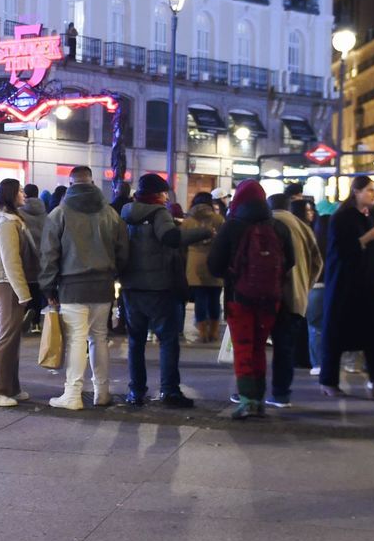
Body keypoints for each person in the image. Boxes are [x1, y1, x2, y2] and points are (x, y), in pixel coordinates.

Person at [119, 173, 213, 408]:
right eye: (164, 192)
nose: (166, 196)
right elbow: (170, 237)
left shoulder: (126, 213)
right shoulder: (159, 213)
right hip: (159, 287)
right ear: (158, 194)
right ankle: (169, 390)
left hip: (132, 287)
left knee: (135, 342)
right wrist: (203, 232)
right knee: (168, 340)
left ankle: (136, 392)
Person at [40, 166, 128, 409]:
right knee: (99, 338)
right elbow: (123, 250)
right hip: (103, 286)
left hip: (72, 286)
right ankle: (102, 391)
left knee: (76, 339)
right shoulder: (110, 213)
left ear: (70, 184)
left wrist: (48, 288)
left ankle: (73, 394)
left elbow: (49, 254)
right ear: (92, 183)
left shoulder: (59, 213)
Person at [207, 180, 293, 417]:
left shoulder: (232, 226)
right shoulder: (278, 227)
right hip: (271, 299)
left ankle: (247, 400)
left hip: (239, 297)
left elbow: (214, 266)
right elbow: (291, 261)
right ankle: (259, 399)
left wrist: (234, 273)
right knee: (259, 347)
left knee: (243, 347)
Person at [317, 176, 374, 399]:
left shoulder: (371, 215)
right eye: (369, 190)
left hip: (369, 283)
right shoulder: (342, 218)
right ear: (356, 192)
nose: (373, 194)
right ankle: (329, 381)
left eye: (373, 191)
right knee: (336, 333)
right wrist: (367, 237)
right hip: (345, 285)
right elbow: (341, 250)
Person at [0, 178, 35, 408]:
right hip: (6, 284)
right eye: (20, 191)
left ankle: (10, 386)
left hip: (2, 283)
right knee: (4, 337)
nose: (24, 194)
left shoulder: (7, 221)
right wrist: (24, 294)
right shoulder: (6, 224)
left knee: (9, 337)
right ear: (11, 195)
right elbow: (11, 262)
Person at [265, 192, 322, 408]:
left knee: (256, 346)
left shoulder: (266, 222)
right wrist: (305, 285)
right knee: (285, 347)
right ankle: (281, 394)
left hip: (267, 295)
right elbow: (317, 261)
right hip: (296, 296)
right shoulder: (302, 227)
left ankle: (252, 392)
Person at [183, 192, 225, 344]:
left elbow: (182, 242)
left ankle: (202, 333)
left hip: (194, 264)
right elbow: (224, 241)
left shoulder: (188, 221)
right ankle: (213, 332)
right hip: (214, 262)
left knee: (200, 299)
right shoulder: (219, 219)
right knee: (214, 298)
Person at [18, 185, 48, 334]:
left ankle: (23, 319)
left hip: (24, 257)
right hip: (41, 258)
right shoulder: (45, 212)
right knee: (37, 290)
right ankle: (36, 323)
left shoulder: (19, 213)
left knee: (24, 290)